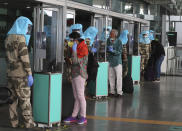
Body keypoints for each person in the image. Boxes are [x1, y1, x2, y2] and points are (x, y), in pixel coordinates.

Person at [5, 16, 35, 128]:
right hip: (21, 75)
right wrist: (30, 74)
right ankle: (28, 123)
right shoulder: (20, 38)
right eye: (27, 27)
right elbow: (25, 58)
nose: (28, 31)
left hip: (10, 75)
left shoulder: (8, 37)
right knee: (25, 99)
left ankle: (14, 123)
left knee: (12, 100)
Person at [63, 24, 88, 124]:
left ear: (76, 40)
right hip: (73, 73)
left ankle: (83, 116)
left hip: (80, 74)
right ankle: (74, 115)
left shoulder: (83, 48)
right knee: (76, 96)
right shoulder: (76, 47)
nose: (71, 42)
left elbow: (77, 61)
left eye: (72, 40)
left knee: (81, 96)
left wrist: (73, 51)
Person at [107, 29, 123, 97]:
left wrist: (113, 51)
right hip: (110, 61)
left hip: (117, 62)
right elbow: (106, 48)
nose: (110, 35)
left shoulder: (119, 41)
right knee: (111, 76)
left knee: (119, 77)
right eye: (110, 33)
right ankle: (112, 91)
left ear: (115, 35)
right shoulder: (108, 40)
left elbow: (119, 51)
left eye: (111, 34)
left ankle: (119, 92)